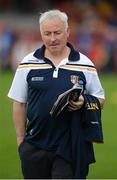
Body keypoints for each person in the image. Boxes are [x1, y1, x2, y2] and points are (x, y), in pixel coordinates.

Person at [8, 9, 105, 179]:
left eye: (57, 33)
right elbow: (19, 102)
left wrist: (83, 101)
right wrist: (21, 141)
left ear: (67, 32)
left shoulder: (85, 64)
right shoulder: (28, 63)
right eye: (47, 33)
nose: (52, 39)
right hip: (34, 145)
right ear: (41, 34)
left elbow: (100, 100)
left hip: (70, 146)